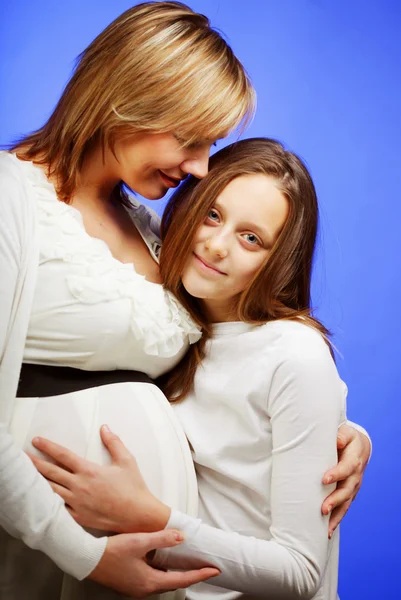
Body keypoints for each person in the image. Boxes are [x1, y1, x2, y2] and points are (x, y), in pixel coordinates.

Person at [31, 138, 371, 600]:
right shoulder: (174, 323)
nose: (215, 245)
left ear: (278, 261)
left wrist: (147, 517)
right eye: (212, 214)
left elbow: (299, 573)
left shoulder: (295, 353)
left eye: (251, 238)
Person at [0, 2, 255, 598]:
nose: (200, 168)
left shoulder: (150, 227)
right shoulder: (10, 201)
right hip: (44, 544)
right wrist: (84, 555)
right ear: (126, 98)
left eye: (211, 144)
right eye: (190, 139)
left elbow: (238, 345)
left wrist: (329, 425)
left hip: (150, 549)